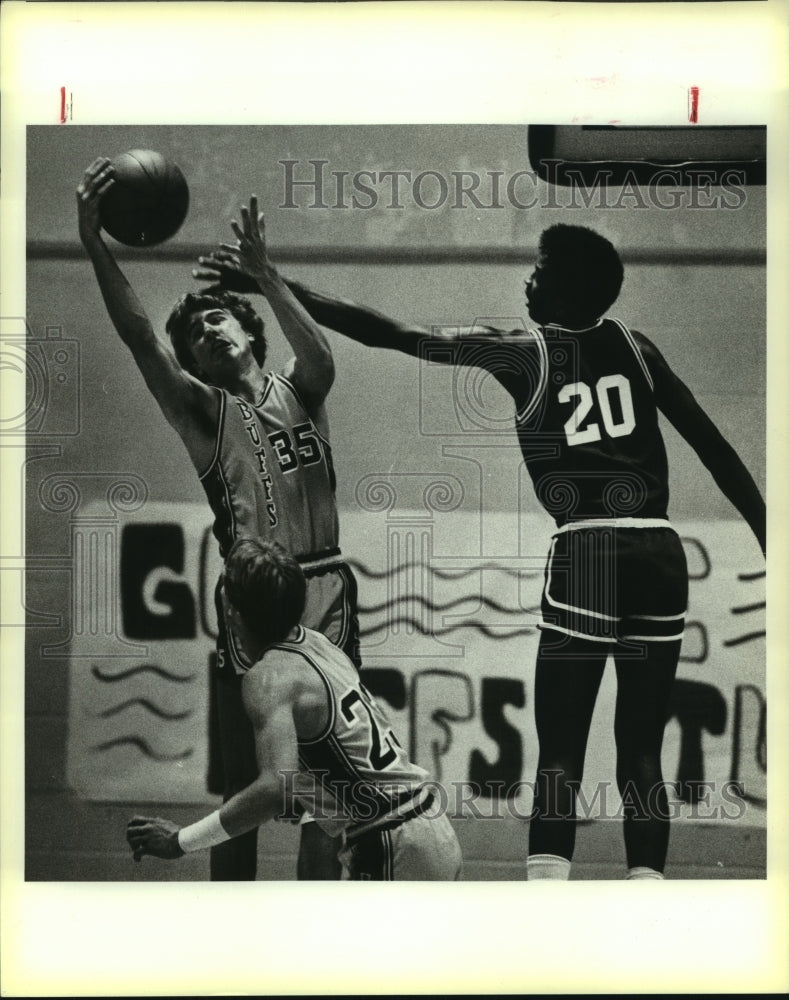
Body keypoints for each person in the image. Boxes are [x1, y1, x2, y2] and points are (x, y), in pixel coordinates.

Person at [195, 223, 766, 880]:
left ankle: (544, 902)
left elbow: (395, 334)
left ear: (566, 286)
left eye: (540, 268)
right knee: (641, 748)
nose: (528, 278)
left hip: (588, 547)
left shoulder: (526, 352)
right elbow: (715, 449)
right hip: (662, 554)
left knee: (560, 751)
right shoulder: (637, 349)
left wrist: (273, 283)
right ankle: (645, 899)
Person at [77, 159, 361, 881]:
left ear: (248, 331)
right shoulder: (207, 414)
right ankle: (232, 932)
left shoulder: (302, 389)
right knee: (250, 788)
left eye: (216, 315)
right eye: (195, 332)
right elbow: (143, 338)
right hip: (255, 605)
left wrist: (266, 275)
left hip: (326, 592)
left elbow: (322, 352)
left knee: (332, 796)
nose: (207, 328)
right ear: (195, 363)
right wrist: (94, 242)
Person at [127, 538, 462, 880]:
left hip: (392, 835)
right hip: (425, 823)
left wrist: (179, 841)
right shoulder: (318, 644)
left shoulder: (268, 678)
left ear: (230, 610)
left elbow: (275, 789)